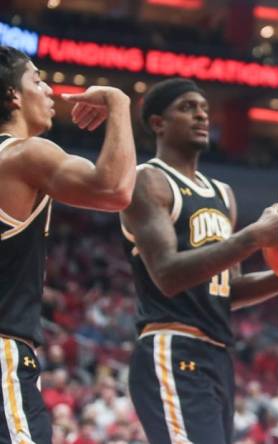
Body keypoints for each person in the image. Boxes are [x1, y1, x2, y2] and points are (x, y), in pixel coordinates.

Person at [119, 78, 278, 444]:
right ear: (157, 123)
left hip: (217, 355)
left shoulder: (222, 194)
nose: (201, 115)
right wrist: (254, 236)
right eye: (187, 107)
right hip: (172, 343)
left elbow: (230, 289)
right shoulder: (148, 181)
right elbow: (166, 274)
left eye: (204, 109)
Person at [0, 45, 136, 444]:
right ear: (13, 97)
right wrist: (119, 102)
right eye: (37, 81)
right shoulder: (25, 155)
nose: (49, 92)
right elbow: (114, 190)